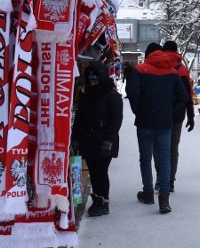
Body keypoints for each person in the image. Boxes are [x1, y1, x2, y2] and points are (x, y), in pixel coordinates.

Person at [126, 42, 189, 214]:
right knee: (164, 159)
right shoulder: (172, 72)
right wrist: (169, 109)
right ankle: (164, 199)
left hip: (145, 122)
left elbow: (132, 93)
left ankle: (148, 192)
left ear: (147, 55)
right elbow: (183, 97)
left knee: (145, 157)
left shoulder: (139, 70)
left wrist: (139, 109)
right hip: (164, 123)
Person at [71, 61, 123, 217]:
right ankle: (98, 198)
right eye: (91, 81)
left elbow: (116, 120)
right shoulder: (87, 96)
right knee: (93, 171)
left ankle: (103, 200)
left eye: (96, 80)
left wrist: (109, 140)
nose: (93, 83)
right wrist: (75, 138)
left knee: (100, 171)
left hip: (105, 140)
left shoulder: (112, 96)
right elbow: (79, 118)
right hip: (88, 139)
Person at [161, 40, 195, 192]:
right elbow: (187, 94)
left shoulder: (159, 65)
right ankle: (170, 180)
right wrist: (191, 115)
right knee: (173, 146)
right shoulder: (182, 70)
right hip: (178, 114)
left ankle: (160, 178)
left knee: (161, 147)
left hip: (160, 112)